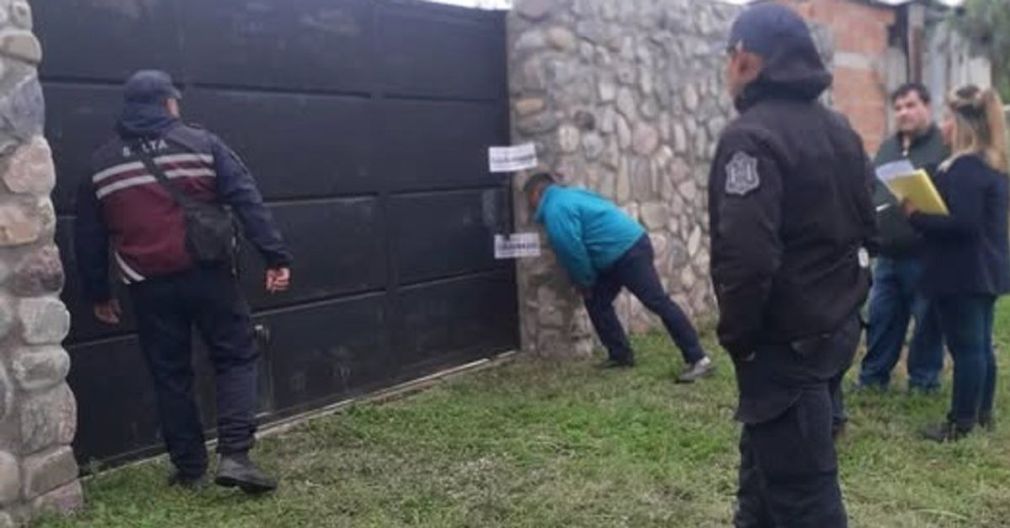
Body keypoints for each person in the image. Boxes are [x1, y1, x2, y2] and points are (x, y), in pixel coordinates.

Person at [74, 70, 293, 493]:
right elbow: (246, 199)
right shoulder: (202, 144)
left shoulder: (100, 164)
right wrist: (274, 255)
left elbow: (87, 235)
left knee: (169, 374)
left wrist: (98, 292)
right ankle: (235, 455)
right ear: (169, 103)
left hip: (147, 284)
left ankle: (190, 469)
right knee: (235, 357)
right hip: (209, 272)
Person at [709, 4, 876, 526]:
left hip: (785, 347)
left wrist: (739, 339)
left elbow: (747, 260)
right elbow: (870, 226)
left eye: (728, 57)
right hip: (834, 334)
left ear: (744, 59)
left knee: (806, 499)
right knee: (762, 478)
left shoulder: (751, 138)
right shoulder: (841, 130)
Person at [524, 172, 714, 382]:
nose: (529, 206)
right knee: (596, 301)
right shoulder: (572, 195)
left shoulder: (555, 209)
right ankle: (620, 355)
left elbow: (571, 251)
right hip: (622, 250)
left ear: (535, 194)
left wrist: (585, 280)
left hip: (627, 252)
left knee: (657, 301)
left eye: (528, 200)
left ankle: (699, 359)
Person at [903, 85, 1010, 442]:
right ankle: (982, 414)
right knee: (981, 346)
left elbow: (963, 223)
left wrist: (916, 216)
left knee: (967, 349)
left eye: (948, 118)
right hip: (985, 269)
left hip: (962, 271)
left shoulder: (965, 167)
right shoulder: (992, 165)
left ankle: (960, 423)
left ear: (963, 125)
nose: (944, 125)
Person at [858, 83, 948, 393]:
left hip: (925, 251)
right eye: (897, 108)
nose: (903, 113)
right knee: (881, 317)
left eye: (910, 105)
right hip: (888, 253)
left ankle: (923, 381)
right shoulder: (888, 148)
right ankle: (873, 378)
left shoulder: (942, 146)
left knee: (926, 321)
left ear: (927, 107)